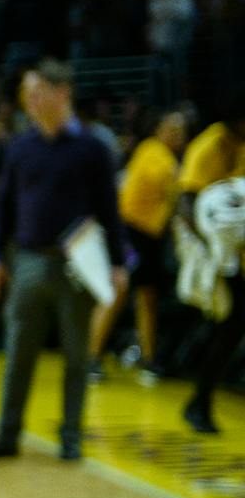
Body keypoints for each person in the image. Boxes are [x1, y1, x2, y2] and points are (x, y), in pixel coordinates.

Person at [0, 61, 127, 462]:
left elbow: (110, 210)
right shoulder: (21, 148)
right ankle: (7, 435)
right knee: (17, 354)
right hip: (27, 262)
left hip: (78, 265)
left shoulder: (92, 149)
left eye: (36, 91)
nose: (29, 100)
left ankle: (71, 436)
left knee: (77, 356)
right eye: (27, 92)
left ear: (63, 94)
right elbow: (3, 208)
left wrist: (118, 263)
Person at [92, 109, 186, 373]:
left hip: (151, 236)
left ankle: (148, 357)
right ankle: (91, 358)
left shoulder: (167, 157)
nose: (177, 135)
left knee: (148, 296)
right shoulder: (152, 151)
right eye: (172, 129)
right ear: (159, 131)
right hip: (130, 233)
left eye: (181, 132)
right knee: (117, 292)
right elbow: (168, 184)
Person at [177, 99, 245, 433]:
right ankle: (198, 400)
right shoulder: (208, 145)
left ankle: (198, 400)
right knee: (226, 327)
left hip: (239, 254)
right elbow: (187, 202)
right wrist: (212, 252)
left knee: (228, 330)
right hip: (216, 257)